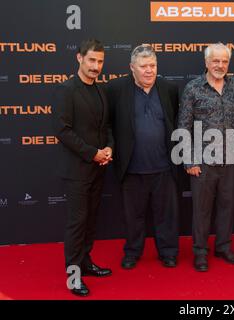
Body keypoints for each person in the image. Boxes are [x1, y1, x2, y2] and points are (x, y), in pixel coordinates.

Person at [106, 45, 179, 270]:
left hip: (164, 167)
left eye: (153, 66)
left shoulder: (168, 88)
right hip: (131, 167)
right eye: (143, 66)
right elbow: (107, 124)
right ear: (132, 68)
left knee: (166, 216)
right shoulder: (116, 89)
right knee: (133, 217)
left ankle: (168, 253)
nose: (149, 71)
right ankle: (132, 252)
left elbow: (175, 121)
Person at [53, 39, 114, 297]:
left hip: (98, 168)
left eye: (100, 62)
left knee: (90, 221)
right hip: (77, 169)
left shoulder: (100, 90)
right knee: (77, 223)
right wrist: (93, 154)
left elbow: (106, 127)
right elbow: (62, 131)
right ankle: (73, 275)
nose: (96, 66)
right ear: (79, 58)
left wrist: (109, 148)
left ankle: (85, 263)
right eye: (91, 60)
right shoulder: (67, 90)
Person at [178, 43, 234, 272]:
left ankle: (223, 247)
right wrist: (189, 160)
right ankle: (200, 251)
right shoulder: (193, 88)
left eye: (224, 61)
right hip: (202, 161)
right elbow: (184, 125)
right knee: (201, 209)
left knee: (228, 206)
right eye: (215, 61)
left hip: (231, 159)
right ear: (206, 62)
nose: (220, 65)